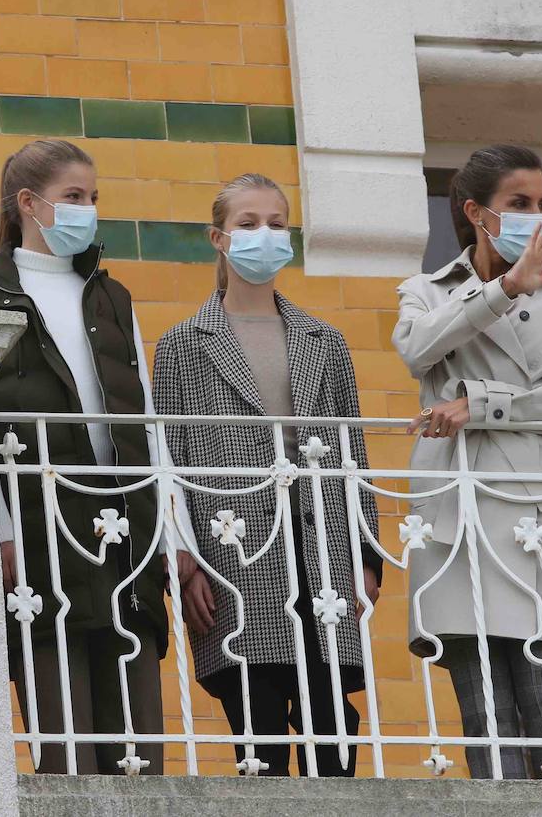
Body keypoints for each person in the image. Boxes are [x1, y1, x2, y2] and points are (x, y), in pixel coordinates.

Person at [152, 173, 383, 777]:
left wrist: (366, 555)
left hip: (322, 550)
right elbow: (168, 458)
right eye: (248, 224)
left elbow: (350, 452)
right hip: (235, 554)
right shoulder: (182, 346)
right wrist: (184, 559)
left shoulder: (324, 341)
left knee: (334, 727)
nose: (265, 234)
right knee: (256, 728)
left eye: (276, 223)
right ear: (218, 239)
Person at [0, 139, 168, 776]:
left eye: (93, 199)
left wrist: (167, 531)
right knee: (62, 725)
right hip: (37, 520)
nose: (88, 210)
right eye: (74, 197)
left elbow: (147, 421)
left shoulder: (111, 297)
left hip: (120, 517)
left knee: (135, 733)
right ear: (28, 203)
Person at [392, 144, 542, 779]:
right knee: (482, 704)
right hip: (454, 503)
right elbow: (419, 350)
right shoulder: (425, 291)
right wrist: (505, 289)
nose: (535, 219)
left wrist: (478, 403)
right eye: (518, 205)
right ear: (478, 213)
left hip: (530, 500)